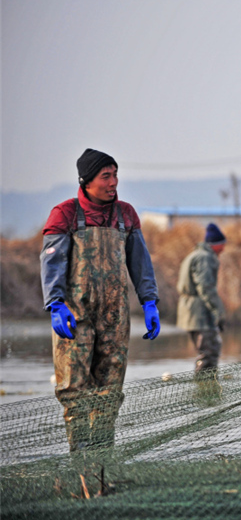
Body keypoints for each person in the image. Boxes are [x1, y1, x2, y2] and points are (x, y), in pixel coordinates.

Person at [40, 148, 160, 453]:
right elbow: (52, 263)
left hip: (115, 318)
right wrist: (55, 304)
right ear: (86, 181)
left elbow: (140, 264)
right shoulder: (65, 214)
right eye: (106, 176)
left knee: (110, 391)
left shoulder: (126, 215)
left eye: (115, 174)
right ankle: (80, 462)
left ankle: (103, 459)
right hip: (74, 317)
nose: (113, 182)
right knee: (74, 389)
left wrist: (149, 302)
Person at [176, 223, 227, 376]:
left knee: (205, 351)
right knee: (209, 352)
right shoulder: (205, 257)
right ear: (216, 245)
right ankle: (205, 390)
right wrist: (219, 311)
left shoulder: (194, 254)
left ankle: (204, 386)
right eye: (222, 245)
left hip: (189, 309)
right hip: (199, 311)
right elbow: (206, 287)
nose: (224, 249)